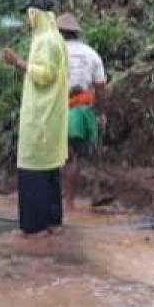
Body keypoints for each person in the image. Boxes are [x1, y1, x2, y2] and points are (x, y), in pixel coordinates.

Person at [0, 0, 68, 235]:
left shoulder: (47, 40)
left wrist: (18, 62)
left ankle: (35, 225)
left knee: (33, 167)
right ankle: (51, 220)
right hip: (46, 114)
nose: (27, 20)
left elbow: (46, 74)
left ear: (35, 14)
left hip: (41, 115)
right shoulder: (49, 37)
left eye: (28, 14)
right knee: (47, 168)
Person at [57, 14, 108, 211]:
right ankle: (69, 201)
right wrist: (101, 113)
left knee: (59, 157)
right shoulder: (91, 54)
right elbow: (100, 87)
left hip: (58, 110)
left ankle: (58, 199)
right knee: (76, 157)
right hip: (82, 111)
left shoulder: (56, 52)